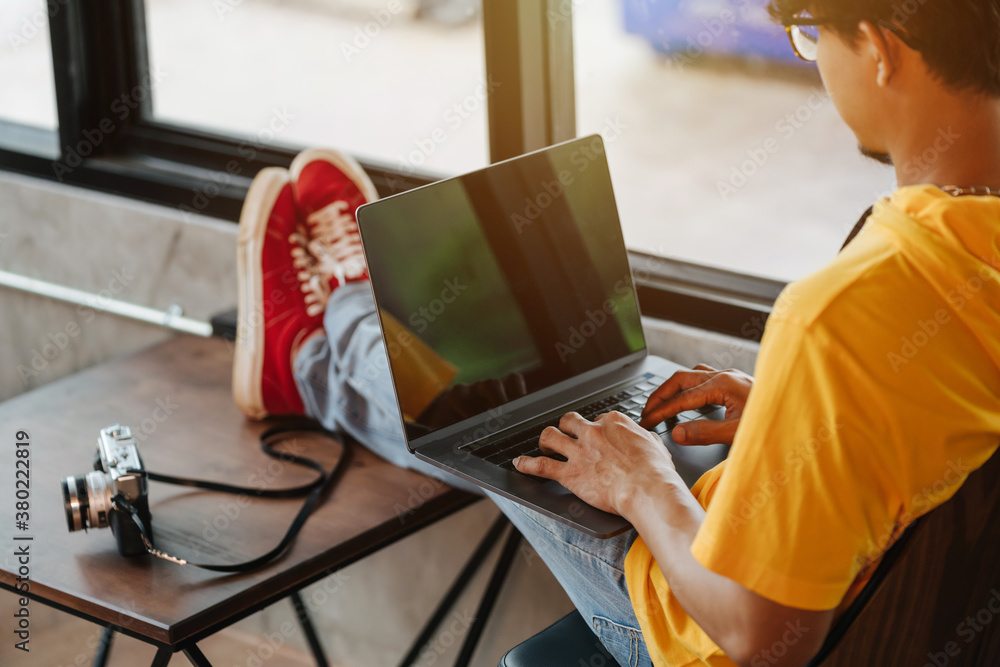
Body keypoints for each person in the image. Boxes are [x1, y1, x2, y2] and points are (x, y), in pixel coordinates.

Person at [230, 0, 1000, 663]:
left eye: (812, 34)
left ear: (879, 47)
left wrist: (644, 484)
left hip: (690, 628)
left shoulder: (841, 313)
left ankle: (322, 339)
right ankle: (334, 341)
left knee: (483, 416)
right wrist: (793, 407)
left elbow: (766, 636)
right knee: (527, 410)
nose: (814, 61)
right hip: (872, 592)